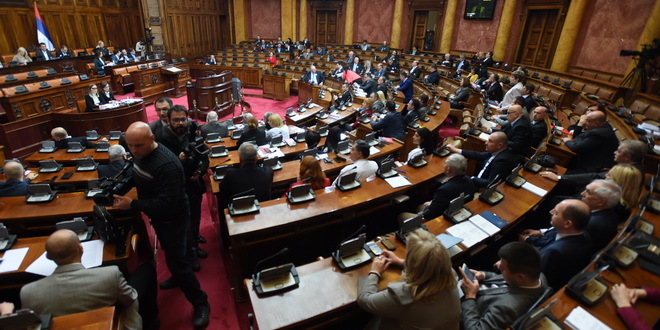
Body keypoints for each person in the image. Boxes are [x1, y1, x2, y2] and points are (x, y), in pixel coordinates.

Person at [112, 122, 210, 328]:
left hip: (173, 218)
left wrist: (134, 204)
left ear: (151, 139)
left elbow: (167, 203)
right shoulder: (141, 155)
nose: (133, 150)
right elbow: (136, 173)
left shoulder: (167, 165)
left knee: (179, 263)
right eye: (129, 145)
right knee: (169, 252)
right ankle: (177, 277)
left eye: (138, 145)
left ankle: (200, 301)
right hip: (159, 217)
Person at [20, 230, 141, 330]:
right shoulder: (110, 274)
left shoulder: (28, 292)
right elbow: (130, 298)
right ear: (80, 248)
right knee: (145, 271)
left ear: (48, 257)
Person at [357, 229, 461, 329]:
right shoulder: (449, 273)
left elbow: (364, 300)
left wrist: (374, 272)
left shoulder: (403, 296)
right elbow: (430, 266)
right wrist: (400, 261)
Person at [158, 106, 210, 260]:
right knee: (182, 221)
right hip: (176, 189)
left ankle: (194, 240)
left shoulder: (192, 133)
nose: (180, 123)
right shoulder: (161, 139)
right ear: (168, 121)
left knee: (195, 217)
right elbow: (160, 167)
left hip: (194, 184)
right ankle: (189, 249)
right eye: (176, 120)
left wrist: (199, 172)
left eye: (183, 119)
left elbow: (204, 156)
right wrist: (177, 160)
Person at [460, 242, 548, 330]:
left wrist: (470, 296)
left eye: (502, 269)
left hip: (464, 310)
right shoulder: (537, 276)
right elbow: (504, 279)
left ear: (520, 277)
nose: (498, 266)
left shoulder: (507, 309)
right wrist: (483, 275)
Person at [519, 199, 593, 290]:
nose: (551, 212)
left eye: (556, 213)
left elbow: (536, 277)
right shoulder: (583, 234)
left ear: (567, 223)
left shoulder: (554, 252)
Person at [446, 132, 519, 188]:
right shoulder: (497, 151)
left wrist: (470, 178)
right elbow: (478, 155)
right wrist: (456, 150)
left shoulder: (502, 160)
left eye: (490, 141)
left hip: (480, 188)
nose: (486, 143)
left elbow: (490, 183)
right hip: (477, 180)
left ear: (499, 145)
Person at [416, 154, 475, 220]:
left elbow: (428, 214)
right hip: (459, 213)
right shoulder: (469, 181)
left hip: (442, 218)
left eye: (445, 164)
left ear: (448, 169)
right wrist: (434, 202)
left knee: (406, 213)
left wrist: (430, 204)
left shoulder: (445, 190)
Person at [563, 110, 618, 174]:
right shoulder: (601, 126)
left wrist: (568, 141)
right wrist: (580, 143)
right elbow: (579, 137)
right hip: (584, 159)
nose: (585, 122)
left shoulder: (600, 133)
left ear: (596, 123)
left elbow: (577, 148)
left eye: (588, 121)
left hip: (590, 169)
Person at [220, 142, 273, 207]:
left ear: (240, 159)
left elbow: (222, 189)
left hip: (239, 208)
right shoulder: (268, 171)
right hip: (263, 207)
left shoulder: (230, 174)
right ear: (256, 158)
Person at [580, 179, 622, 252]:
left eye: (588, 192)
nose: (582, 193)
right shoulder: (609, 212)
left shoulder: (590, 223)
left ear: (601, 202)